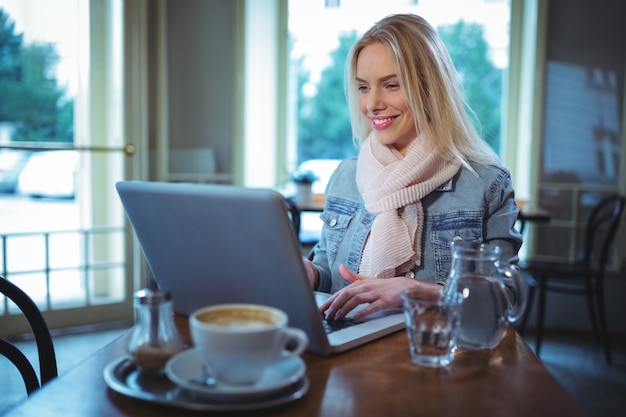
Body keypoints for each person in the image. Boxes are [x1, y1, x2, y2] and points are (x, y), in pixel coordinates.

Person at [302, 13, 522, 321]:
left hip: (436, 355)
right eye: (363, 87)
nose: (372, 104)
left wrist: (419, 291)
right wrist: (308, 274)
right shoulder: (344, 178)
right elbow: (331, 279)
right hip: (346, 352)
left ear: (430, 88)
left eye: (391, 85)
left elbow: (506, 299)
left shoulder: (486, 184)